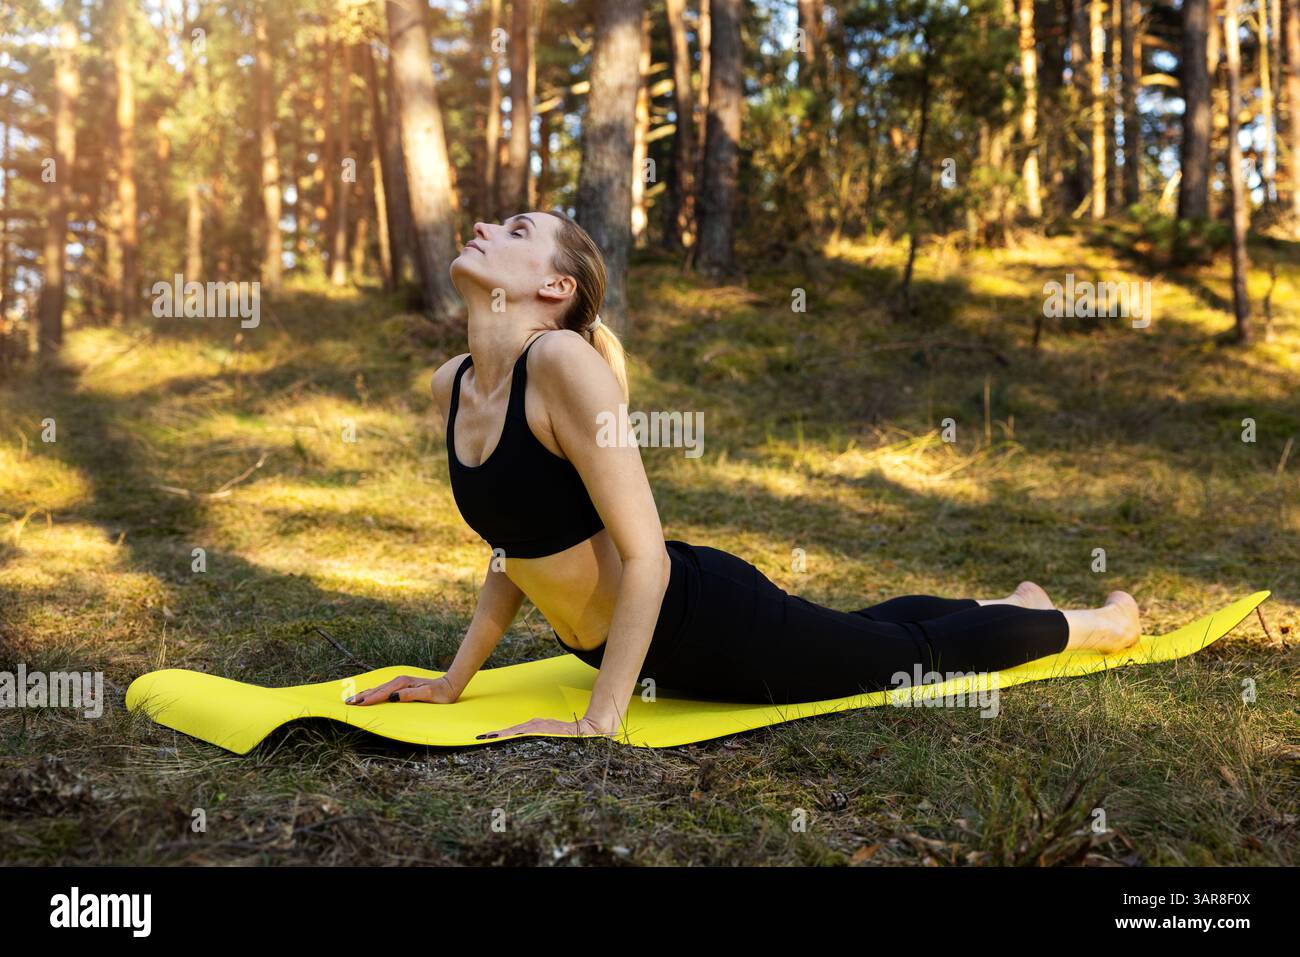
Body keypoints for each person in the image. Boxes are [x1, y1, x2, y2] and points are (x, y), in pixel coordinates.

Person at [345, 210, 1141, 739]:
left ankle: (1097, 626)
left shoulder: (559, 362)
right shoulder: (453, 384)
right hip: (626, 644)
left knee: (911, 654)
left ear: (555, 288)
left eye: (516, 228)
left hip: (705, 622)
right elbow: (513, 548)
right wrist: (453, 681)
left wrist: (599, 723)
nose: (484, 225)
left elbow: (646, 555)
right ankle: (1010, 603)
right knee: (866, 630)